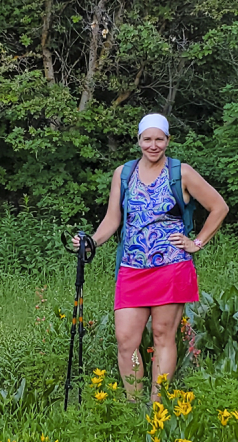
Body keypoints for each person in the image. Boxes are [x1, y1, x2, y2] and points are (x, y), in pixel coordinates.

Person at [76, 113, 228, 399]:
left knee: (162, 335)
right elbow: (112, 220)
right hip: (132, 268)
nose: (153, 145)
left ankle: (157, 406)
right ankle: (134, 404)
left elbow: (219, 207)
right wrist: (90, 242)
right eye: (148, 139)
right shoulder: (124, 174)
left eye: (159, 139)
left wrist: (197, 242)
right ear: (139, 141)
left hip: (171, 267)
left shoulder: (181, 172)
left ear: (168, 141)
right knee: (126, 341)